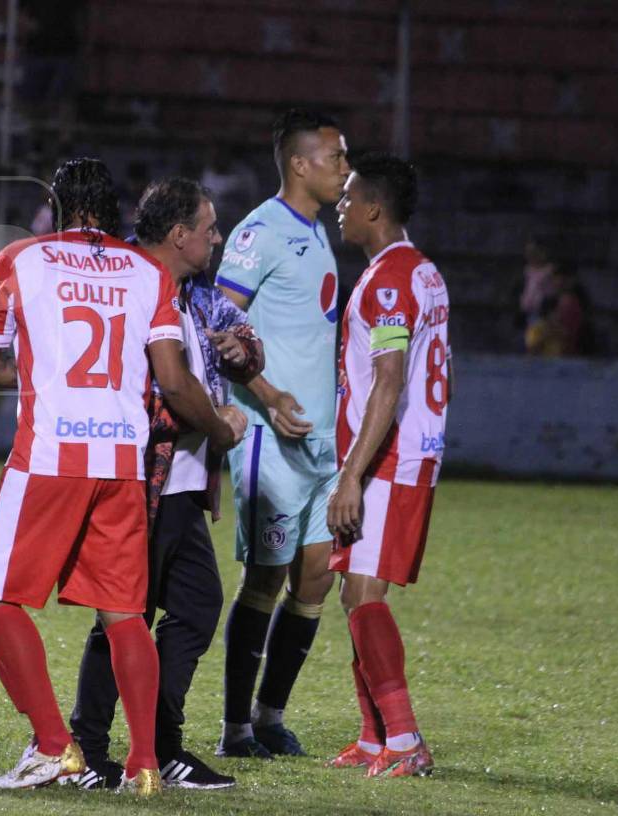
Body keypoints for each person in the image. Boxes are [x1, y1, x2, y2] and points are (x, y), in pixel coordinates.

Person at [0, 158, 243, 796]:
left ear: (58, 208)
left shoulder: (22, 257)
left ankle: (53, 747)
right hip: (123, 460)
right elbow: (171, 378)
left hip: (49, 454)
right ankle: (144, 764)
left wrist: (45, 371)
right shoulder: (145, 271)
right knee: (123, 612)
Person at [67, 178, 261, 790]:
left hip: (179, 486)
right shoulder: (124, 282)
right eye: (209, 228)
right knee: (125, 614)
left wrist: (241, 350)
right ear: (179, 236)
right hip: (134, 483)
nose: (218, 237)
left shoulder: (195, 292)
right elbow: (147, 393)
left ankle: (160, 742)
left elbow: (246, 340)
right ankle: (88, 747)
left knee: (195, 606)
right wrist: (219, 423)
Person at [213, 109, 350, 759]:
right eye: (336, 158)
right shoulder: (259, 232)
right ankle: (236, 727)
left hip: (322, 443)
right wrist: (266, 393)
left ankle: (271, 716)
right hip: (270, 436)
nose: (345, 169)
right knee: (266, 579)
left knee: (316, 579)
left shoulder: (321, 232)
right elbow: (216, 327)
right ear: (300, 164)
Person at [326, 152, 448, 778]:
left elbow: (389, 380)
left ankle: (404, 740)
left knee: (365, 594)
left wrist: (351, 473)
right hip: (401, 455)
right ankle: (374, 737)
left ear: (373, 208)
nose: (339, 207)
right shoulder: (420, 271)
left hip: (390, 460)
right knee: (354, 593)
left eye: (347, 198)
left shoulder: (391, 281)